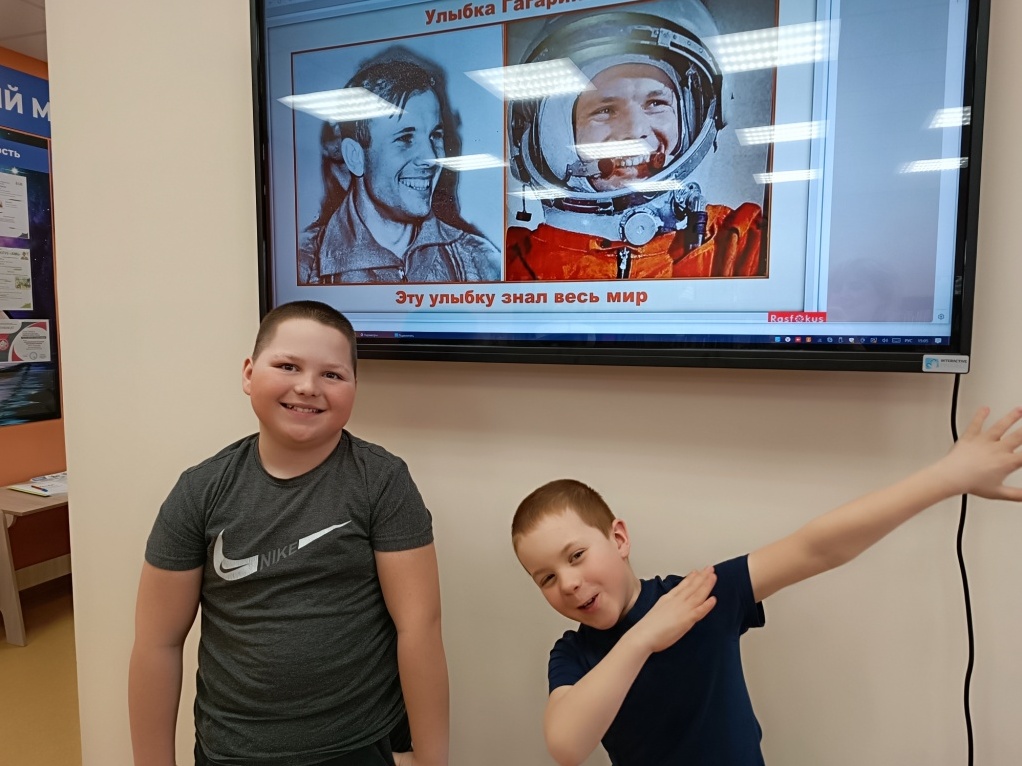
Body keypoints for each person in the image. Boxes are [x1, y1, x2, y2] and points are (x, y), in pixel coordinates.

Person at [511, 406, 1022, 765]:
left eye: (576, 556)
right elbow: (566, 745)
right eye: (547, 578)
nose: (569, 583)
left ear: (618, 538)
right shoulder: (573, 654)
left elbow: (817, 546)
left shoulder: (698, 596)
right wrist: (643, 637)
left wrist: (947, 478)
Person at [128, 300, 449, 766]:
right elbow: (157, 643)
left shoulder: (382, 482)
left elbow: (419, 629)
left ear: (354, 388)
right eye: (287, 366)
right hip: (232, 749)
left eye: (332, 374)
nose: (308, 387)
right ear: (248, 373)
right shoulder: (200, 491)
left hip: (358, 745)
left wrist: (433, 760)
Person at [505, 1, 764, 281]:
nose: (634, 131)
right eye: (605, 110)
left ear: (691, 119)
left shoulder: (739, 247)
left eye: (656, 103)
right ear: (560, 136)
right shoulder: (511, 265)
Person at [301, 57, 500, 284]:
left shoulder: (481, 263)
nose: (431, 158)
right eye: (405, 138)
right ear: (355, 157)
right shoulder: (304, 266)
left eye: (435, 135)